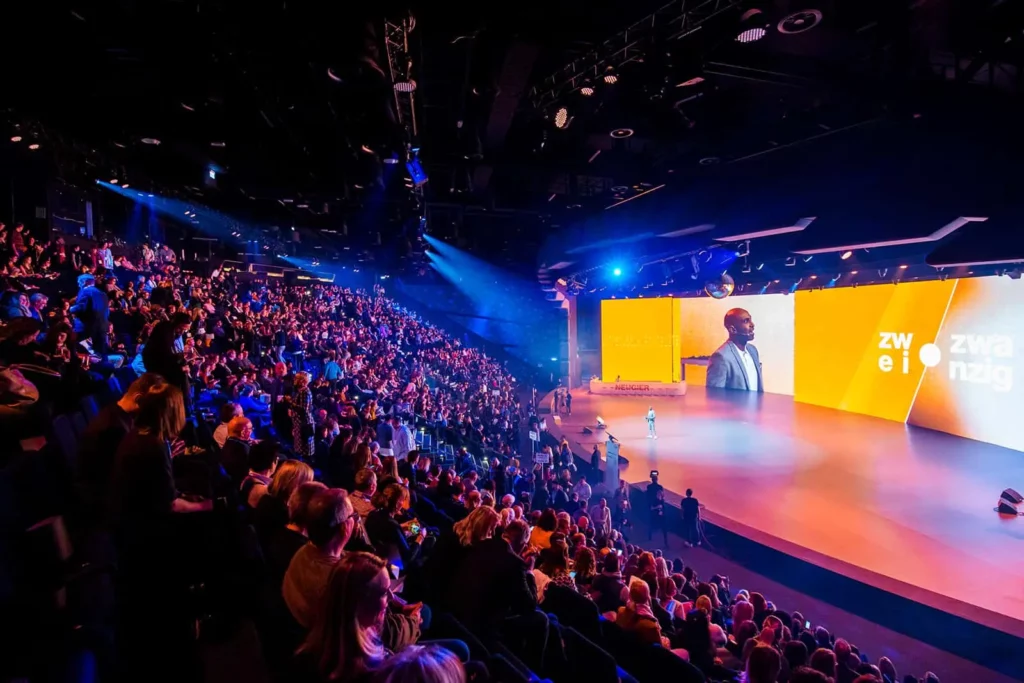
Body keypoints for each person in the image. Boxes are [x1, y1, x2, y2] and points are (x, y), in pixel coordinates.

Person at [706, 308, 763, 392]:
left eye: (750, 320)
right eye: (746, 321)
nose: (752, 325)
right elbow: (714, 397)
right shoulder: (721, 357)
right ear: (732, 329)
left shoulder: (753, 351)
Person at [647, 471, 668, 545]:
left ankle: (649, 537)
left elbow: (648, 498)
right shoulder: (660, 487)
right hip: (660, 509)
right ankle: (665, 541)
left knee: (651, 523)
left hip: (652, 508)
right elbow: (663, 498)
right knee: (663, 526)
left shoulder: (649, 487)